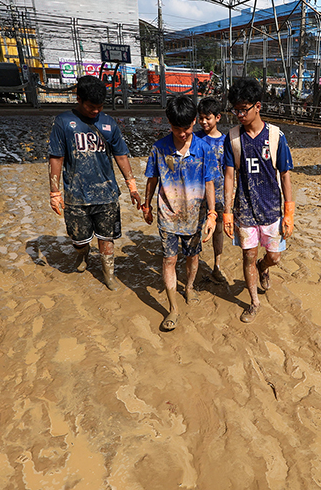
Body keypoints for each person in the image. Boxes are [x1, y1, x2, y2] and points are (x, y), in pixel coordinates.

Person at [47, 75, 142, 290]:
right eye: (91, 106)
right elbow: (56, 158)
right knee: (79, 238)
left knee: (107, 238)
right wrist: (55, 192)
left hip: (106, 193)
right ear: (79, 99)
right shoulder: (63, 122)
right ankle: (83, 253)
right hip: (76, 194)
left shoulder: (108, 123)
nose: (96, 111)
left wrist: (132, 186)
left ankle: (109, 274)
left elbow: (120, 155)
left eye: (100, 106)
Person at [142, 96, 218, 331]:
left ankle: (189, 287)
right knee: (169, 259)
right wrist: (146, 205)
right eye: (177, 128)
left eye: (186, 128)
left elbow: (209, 183)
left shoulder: (204, 150)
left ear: (194, 121)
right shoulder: (159, 148)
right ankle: (173, 307)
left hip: (195, 216)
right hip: (168, 215)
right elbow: (152, 179)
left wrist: (212, 213)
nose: (182, 134)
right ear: (169, 123)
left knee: (193, 256)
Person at [222, 77, 294, 323]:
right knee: (248, 256)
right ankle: (254, 302)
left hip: (272, 210)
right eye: (236, 110)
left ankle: (264, 268)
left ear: (258, 106)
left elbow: (285, 175)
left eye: (244, 109)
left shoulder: (275, 137)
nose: (239, 115)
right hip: (245, 211)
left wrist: (289, 213)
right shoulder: (233, 138)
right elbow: (229, 177)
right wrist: (227, 212)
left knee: (274, 257)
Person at [195, 97, 227, 283]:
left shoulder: (225, 142)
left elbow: (228, 172)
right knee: (196, 229)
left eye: (208, 118)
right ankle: (195, 263)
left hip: (219, 194)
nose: (204, 122)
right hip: (197, 194)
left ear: (218, 117)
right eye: (201, 118)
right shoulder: (194, 138)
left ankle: (217, 266)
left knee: (218, 230)